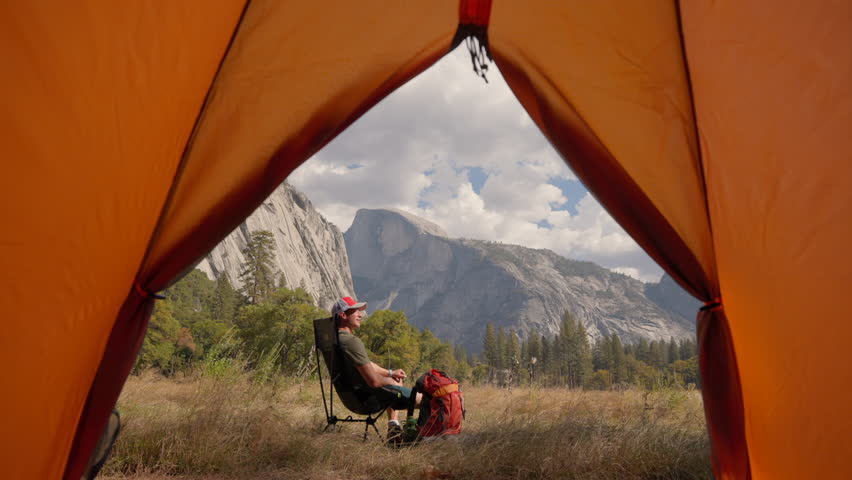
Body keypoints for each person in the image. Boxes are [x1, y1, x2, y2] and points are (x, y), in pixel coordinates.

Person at [331, 296, 422, 443]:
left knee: (393, 381)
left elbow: (365, 363)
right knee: (430, 401)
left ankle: (394, 427)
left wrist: (390, 373)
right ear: (343, 315)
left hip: (349, 397)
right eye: (356, 311)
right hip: (366, 400)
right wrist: (390, 382)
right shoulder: (351, 342)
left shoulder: (335, 339)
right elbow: (373, 382)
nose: (361, 315)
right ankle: (425, 438)